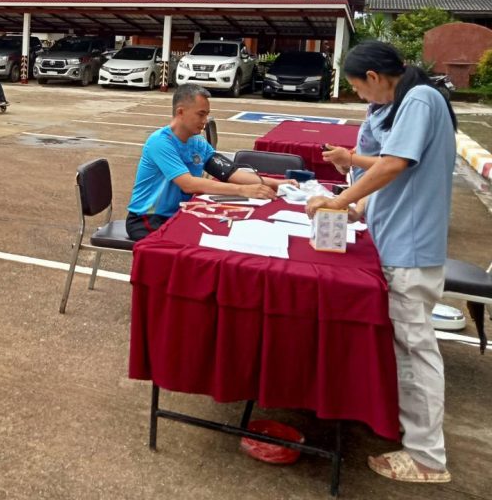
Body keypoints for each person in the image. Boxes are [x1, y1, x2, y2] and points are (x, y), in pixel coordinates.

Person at [306, 42, 456, 484]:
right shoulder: (406, 103)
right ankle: (417, 437)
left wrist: (338, 201)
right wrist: (357, 210)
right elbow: (391, 175)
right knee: (408, 348)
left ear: (374, 76)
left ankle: (427, 457)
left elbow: (393, 165)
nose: (360, 97)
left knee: (414, 351)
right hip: (400, 244)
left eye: (357, 88)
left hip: (411, 249)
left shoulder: (420, 99)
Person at [125, 84, 281, 239]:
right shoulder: (160, 142)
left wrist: (277, 183)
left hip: (179, 213)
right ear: (180, 112)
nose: (205, 121)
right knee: (199, 242)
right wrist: (243, 190)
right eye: (201, 114)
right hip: (148, 218)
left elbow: (229, 172)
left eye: (206, 115)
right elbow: (188, 184)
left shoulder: (198, 142)